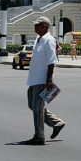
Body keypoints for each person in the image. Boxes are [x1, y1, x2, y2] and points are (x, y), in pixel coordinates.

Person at [19, 16, 65, 145]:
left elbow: (52, 61)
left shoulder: (49, 40)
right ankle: (56, 123)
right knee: (32, 105)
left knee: (37, 108)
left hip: (42, 79)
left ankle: (39, 136)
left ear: (45, 26)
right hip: (33, 79)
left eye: (37, 25)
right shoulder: (39, 39)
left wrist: (49, 80)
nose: (35, 27)